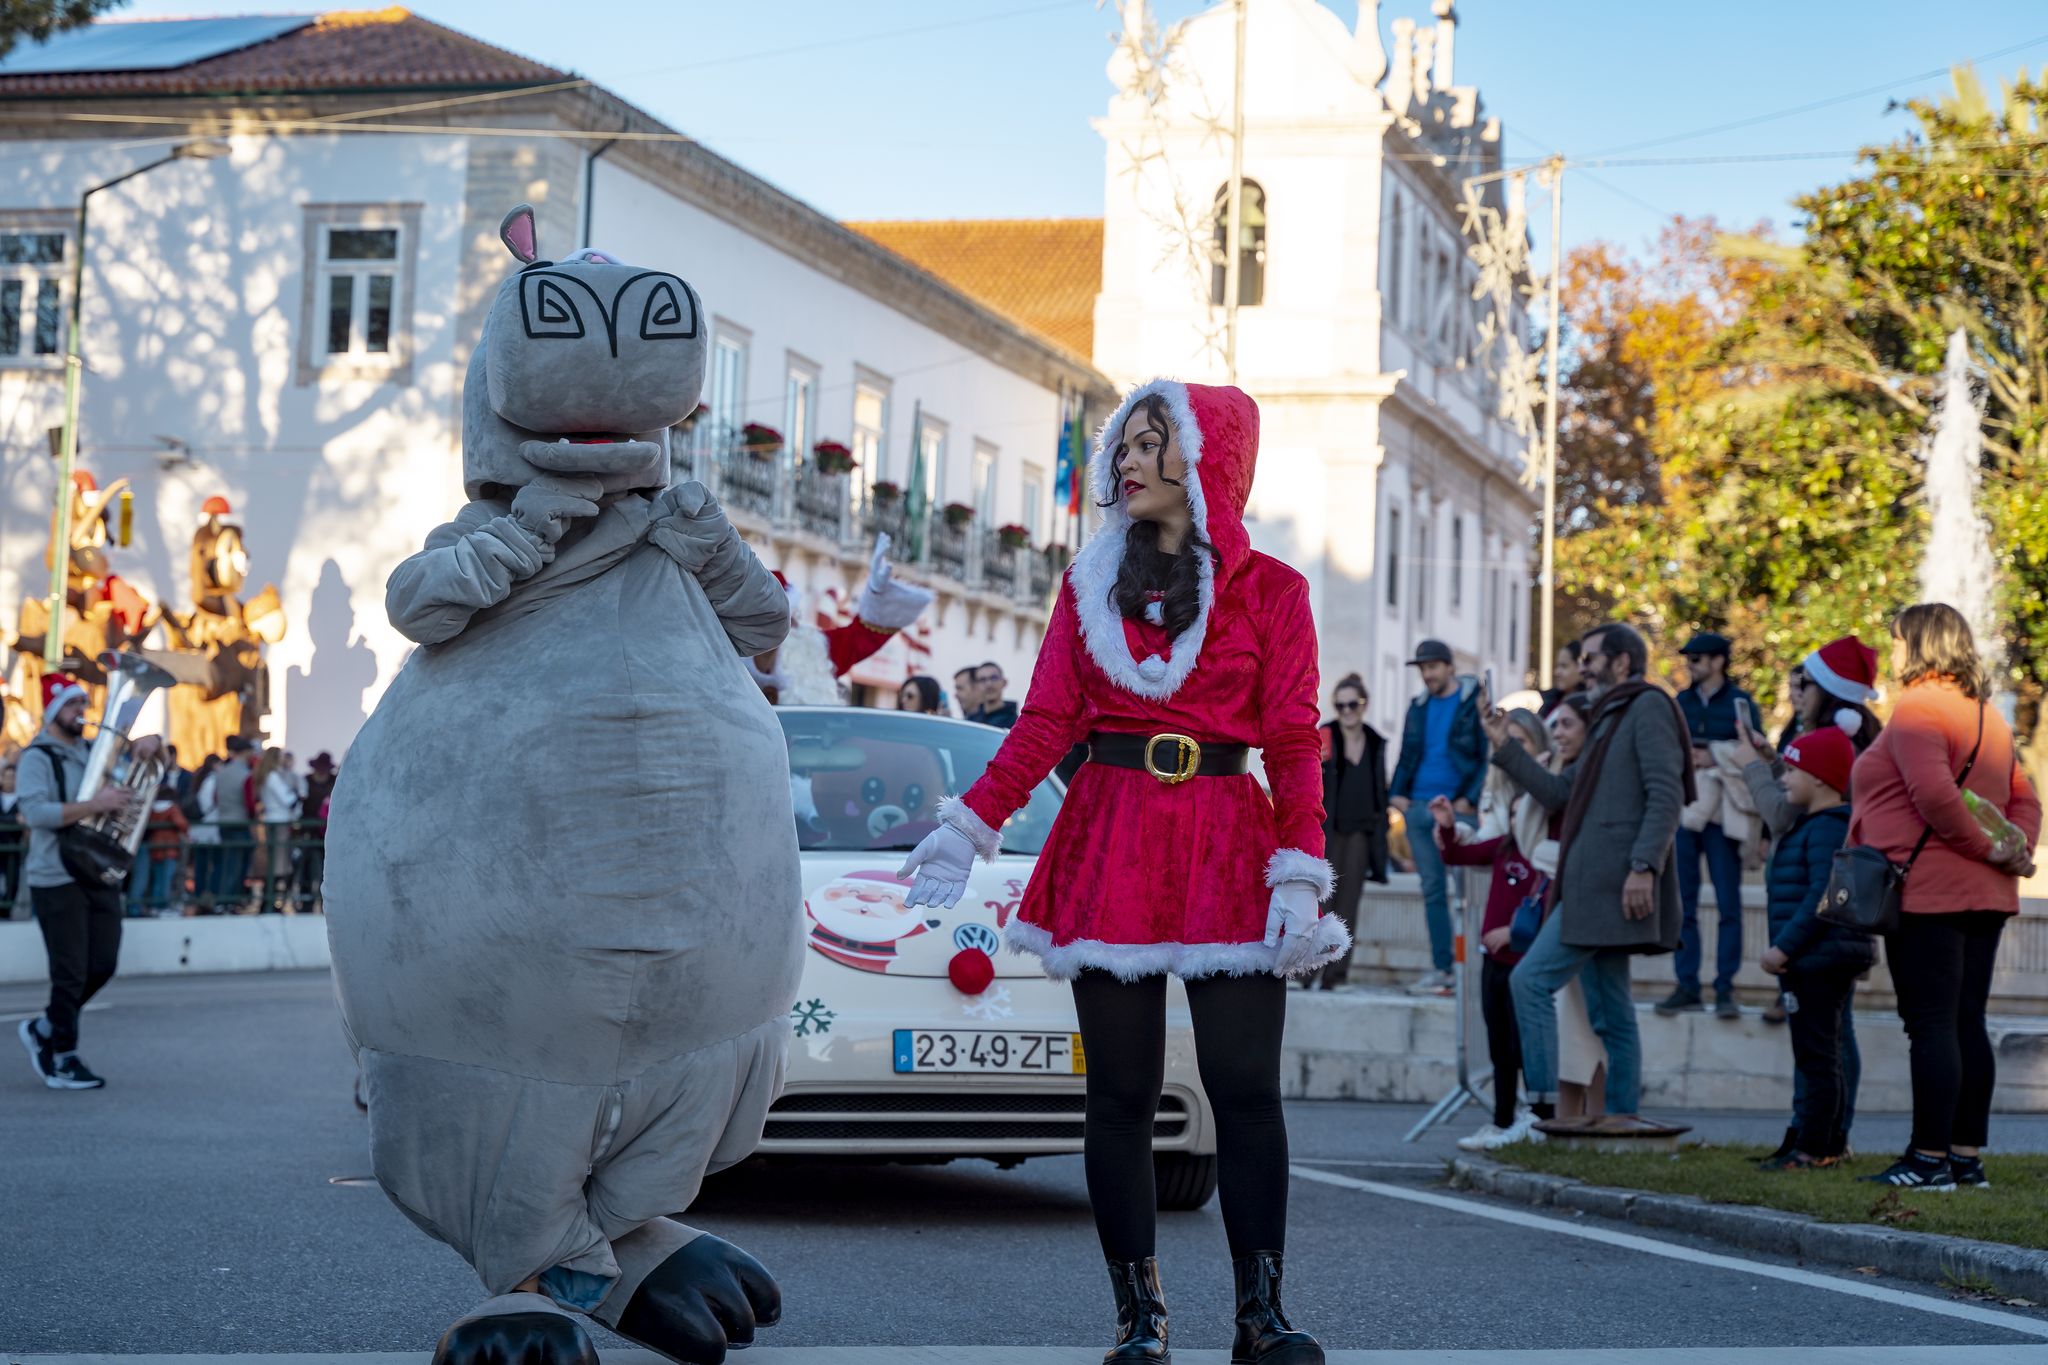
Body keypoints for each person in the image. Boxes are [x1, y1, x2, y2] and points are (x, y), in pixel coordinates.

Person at [899, 379, 1346, 1365]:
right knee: (1119, 1096)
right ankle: (1137, 1322)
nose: (1128, 460)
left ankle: (1259, 1317)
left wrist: (1298, 870)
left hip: (1230, 837)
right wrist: (969, 823)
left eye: (1155, 442)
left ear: (1207, 456)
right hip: (1112, 836)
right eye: (1125, 445)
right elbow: (1048, 721)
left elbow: (1292, 739)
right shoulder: (1086, 581)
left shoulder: (1273, 590)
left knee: (1243, 1089)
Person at [1850, 604, 2039, 1191]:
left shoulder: (1917, 709)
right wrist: (2013, 849)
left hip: (1931, 888)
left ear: (1923, 646)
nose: (1893, 654)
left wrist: (1987, 850)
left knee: (1929, 1025)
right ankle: (1964, 1158)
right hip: (1985, 893)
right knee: (1965, 1023)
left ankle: (1927, 1160)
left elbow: (1932, 796)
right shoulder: (1989, 717)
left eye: (1899, 641)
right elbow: (2025, 801)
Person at [1488, 622, 1693, 1136]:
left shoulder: (1647, 706)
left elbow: (1665, 793)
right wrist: (1505, 749)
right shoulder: (1608, 716)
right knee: (1612, 1012)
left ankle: (1540, 1113)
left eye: (1592, 656)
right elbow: (1559, 794)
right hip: (1592, 887)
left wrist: (1644, 866)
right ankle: (1620, 1121)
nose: (1582, 665)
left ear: (1622, 661)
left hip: (1611, 886)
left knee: (1529, 980)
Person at [15, 683, 163, 1089]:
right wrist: (94, 806)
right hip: (55, 874)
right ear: (53, 711)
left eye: (84, 702)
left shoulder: (91, 751)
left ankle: (45, 1028)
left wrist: (149, 746)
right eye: (72, 704)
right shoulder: (37, 756)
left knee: (103, 963)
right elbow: (33, 812)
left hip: (95, 870)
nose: (82, 710)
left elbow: (131, 777)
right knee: (70, 973)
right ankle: (63, 1056)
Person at [1432, 707, 1551, 1149]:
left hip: (1523, 954)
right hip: (1493, 956)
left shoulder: (1542, 837)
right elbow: (1461, 855)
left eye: (1521, 741)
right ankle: (1502, 1122)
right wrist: (1448, 828)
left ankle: (1537, 1119)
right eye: (1507, 740)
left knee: (1524, 1044)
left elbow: (1545, 891)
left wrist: (1516, 934)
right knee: (1499, 1043)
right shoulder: (1505, 840)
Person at [1754, 726, 1871, 1171]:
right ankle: (1814, 1138)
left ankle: (1816, 1146)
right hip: (1815, 958)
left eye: (1793, 769)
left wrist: (1783, 949)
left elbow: (1823, 896)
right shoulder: (1814, 824)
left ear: (1821, 779)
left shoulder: (1827, 828)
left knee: (1819, 1056)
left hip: (1818, 959)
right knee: (1818, 1052)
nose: (1783, 778)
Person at [1662, 631, 1760, 1020]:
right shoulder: (1680, 703)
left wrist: (1714, 757)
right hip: (1687, 812)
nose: (1690, 665)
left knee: (1728, 903)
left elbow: (1755, 753)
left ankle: (1725, 988)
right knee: (1683, 902)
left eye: (1698, 658)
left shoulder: (1741, 704)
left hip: (1726, 814)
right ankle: (1687, 985)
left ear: (1719, 661)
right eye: (1689, 659)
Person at [1389, 639, 1488, 996]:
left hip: (1458, 811)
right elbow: (1408, 751)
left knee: (1468, 891)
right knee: (1432, 890)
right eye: (1422, 669)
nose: (1427, 675)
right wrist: (1396, 795)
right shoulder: (1418, 707)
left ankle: (1474, 968)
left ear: (1449, 667)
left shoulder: (1472, 703)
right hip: (1418, 808)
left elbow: (1485, 755)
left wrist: (1469, 800)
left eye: (1432, 667)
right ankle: (1443, 969)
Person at [1315, 673, 1389, 989]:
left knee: (1348, 906)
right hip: (1329, 831)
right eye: (1340, 705)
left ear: (1364, 705)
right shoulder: (1326, 735)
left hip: (1361, 834)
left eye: (1352, 704)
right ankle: (1307, 972)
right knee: (1321, 905)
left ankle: (1337, 974)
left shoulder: (1374, 740)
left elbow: (1378, 791)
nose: (1346, 711)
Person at [129, 780, 188, 916]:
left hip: (154, 847)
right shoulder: (172, 809)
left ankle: (145, 907)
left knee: (153, 879)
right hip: (169, 848)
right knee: (165, 879)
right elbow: (182, 824)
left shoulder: (151, 809)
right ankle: (161, 907)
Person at [256, 748, 303, 912]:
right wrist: (297, 796)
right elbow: (286, 799)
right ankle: (269, 901)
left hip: (273, 820)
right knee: (278, 864)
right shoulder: (273, 777)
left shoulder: (267, 776)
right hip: (279, 821)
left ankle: (269, 901)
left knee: (277, 863)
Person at [213, 737, 255, 912]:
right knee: (237, 864)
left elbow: (215, 798)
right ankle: (230, 900)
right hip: (239, 821)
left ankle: (221, 899)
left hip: (223, 820)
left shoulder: (221, 773)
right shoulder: (246, 775)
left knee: (225, 861)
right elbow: (249, 803)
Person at [969, 661, 1019, 728]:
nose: (989, 684)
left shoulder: (1016, 724)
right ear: (976, 686)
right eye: (982, 680)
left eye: (994, 678)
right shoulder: (971, 722)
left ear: (1004, 683)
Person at [1539, 644, 1584, 718]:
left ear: (1580, 667)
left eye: (1564, 666)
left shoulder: (1587, 706)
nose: (1557, 672)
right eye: (1557, 666)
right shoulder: (1550, 701)